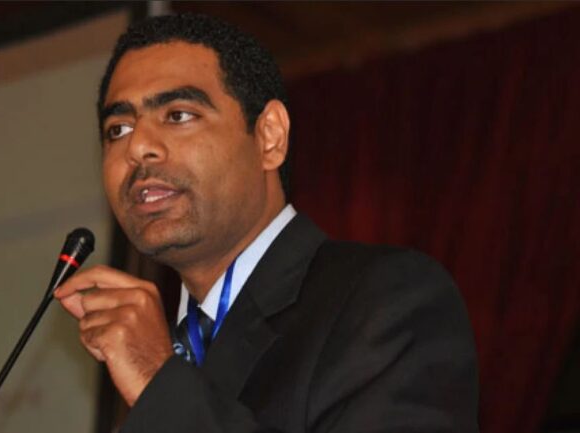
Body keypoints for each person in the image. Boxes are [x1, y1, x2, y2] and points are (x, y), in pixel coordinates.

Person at [54, 13, 479, 433]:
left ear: (269, 137)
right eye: (118, 129)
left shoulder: (384, 299)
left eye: (178, 115)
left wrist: (157, 381)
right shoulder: (163, 344)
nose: (137, 147)